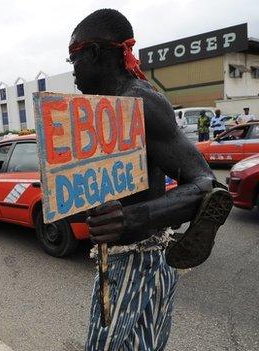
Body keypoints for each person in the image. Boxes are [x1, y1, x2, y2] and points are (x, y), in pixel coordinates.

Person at [68, 9, 232, 350]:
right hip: (152, 259)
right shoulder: (102, 109)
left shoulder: (140, 101)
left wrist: (129, 217)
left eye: (74, 58)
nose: (73, 71)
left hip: (130, 259)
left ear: (95, 53)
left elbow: (205, 182)